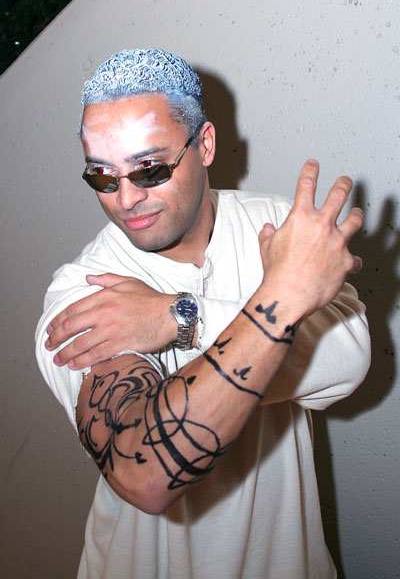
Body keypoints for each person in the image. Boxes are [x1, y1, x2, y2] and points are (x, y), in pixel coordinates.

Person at [35, 49, 370, 579]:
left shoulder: (276, 225)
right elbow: (146, 473)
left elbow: (347, 363)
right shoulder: (85, 290)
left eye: (149, 169)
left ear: (206, 144)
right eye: (102, 176)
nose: (126, 199)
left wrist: (177, 319)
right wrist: (284, 296)